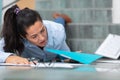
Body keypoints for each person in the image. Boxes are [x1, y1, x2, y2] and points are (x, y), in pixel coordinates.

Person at [0, 5, 72, 64]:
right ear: (23, 36)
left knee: (59, 22)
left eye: (42, 30)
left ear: (42, 22)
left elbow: (66, 55)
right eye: (34, 36)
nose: (42, 38)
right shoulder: (16, 36)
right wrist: (9, 57)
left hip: (54, 27)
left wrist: (72, 58)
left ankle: (60, 17)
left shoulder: (57, 31)